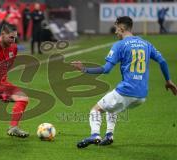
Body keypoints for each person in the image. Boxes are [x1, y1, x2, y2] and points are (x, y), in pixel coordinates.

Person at [71, 16, 177, 148]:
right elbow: (162, 61)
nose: (115, 32)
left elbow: (106, 69)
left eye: (116, 29)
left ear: (121, 28)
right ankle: (109, 135)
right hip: (142, 96)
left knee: (96, 110)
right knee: (112, 107)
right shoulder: (146, 44)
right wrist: (168, 80)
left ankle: (95, 135)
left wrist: (85, 69)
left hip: (127, 90)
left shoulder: (119, 45)